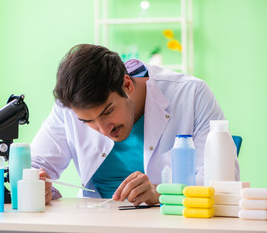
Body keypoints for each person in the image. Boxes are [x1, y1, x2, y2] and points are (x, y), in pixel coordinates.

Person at [30, 44, 240, 206]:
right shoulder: (68, 107)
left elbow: (224, 180)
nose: (103, 130)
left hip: (168, 222)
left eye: (108, 112)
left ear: (127, 85)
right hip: (96, 221)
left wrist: (160, 192)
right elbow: (35, 165)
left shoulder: (192, 94)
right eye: (88, 122)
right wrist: (38, 186)